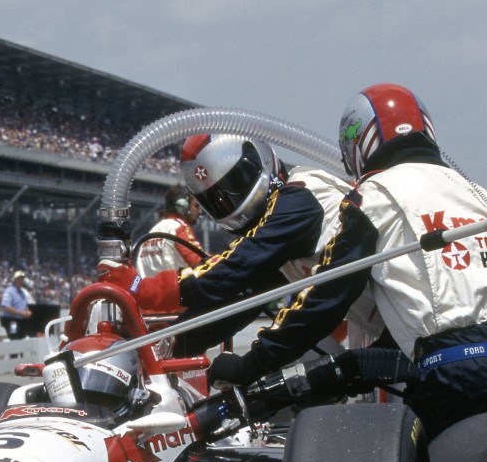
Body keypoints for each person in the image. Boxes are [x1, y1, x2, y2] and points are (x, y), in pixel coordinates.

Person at [205, 84, 487, 438]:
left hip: (455, 370)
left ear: (357, 145)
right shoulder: (486, 199)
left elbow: (328, 295)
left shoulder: (372, 196)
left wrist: (250, 364)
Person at [99, 134, 351, 357]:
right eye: (216, 199)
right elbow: (243, 296)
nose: (227, 201)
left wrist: (142, 289)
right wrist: (174, 340)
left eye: (234, 185)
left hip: (382, 326)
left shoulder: (302, 197)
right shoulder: (282, 230)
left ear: (256, 163)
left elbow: (236, 268)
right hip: (364, 324)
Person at [134, 184, 204, 279]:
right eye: (196, 205)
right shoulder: (179, 228)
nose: (200, 211)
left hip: (149, 292)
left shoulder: (151, 233)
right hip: (176, 291)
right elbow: (202, 262)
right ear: (183, 206)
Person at [0, 270, 36, 339]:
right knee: (14, 337)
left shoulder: (22, 292)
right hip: (11, 320)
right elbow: (6, 307)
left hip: (20, 320)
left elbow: (25, 305)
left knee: (23, 337)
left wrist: (28, 311)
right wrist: (20, 313)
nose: (21, 281)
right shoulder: (9, 291)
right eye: (19, 279)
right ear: (15, 280)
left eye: (22, 279)